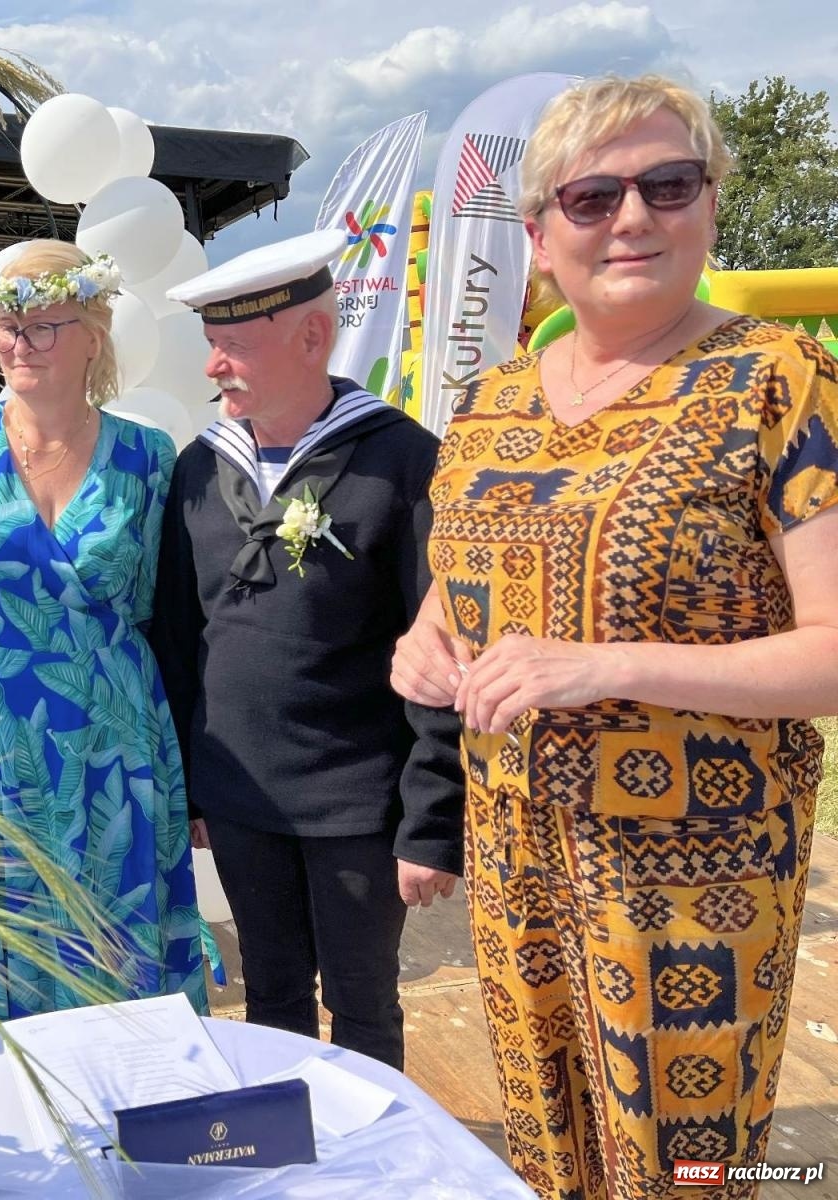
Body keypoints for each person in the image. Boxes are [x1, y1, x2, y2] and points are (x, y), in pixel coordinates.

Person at [390, 75, 838, 1198]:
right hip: (515, 864)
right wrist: (422, 641)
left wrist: (609, 667)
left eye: (666, 185)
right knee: (552, 1159)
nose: (631, 217)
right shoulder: (486, 406)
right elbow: (459, 585)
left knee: (683, 1172)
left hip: (694, 885)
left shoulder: (779, 380)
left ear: (710, 204)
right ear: (541, 238)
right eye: (591, 197)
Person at [151, 228, 464, 1072]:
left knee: (363, 1004)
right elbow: (178, 640)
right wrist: (193, 790)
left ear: (313, 336)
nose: (213, 366)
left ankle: (372, 1144)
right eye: (210, 343)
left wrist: (431, 822)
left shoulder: (403, 461)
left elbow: (442, 652)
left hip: (359, 806)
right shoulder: (197, 469)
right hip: (241, 799)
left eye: (234, 345)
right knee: (272, 997)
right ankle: (286, 1140)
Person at [0, 240, 207, 1027]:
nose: (18, 343)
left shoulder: (148, 457)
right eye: (6, 326)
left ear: (94, 334)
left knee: (110, 943)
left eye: (41, 326)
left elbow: (168, 619)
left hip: (111, 744)